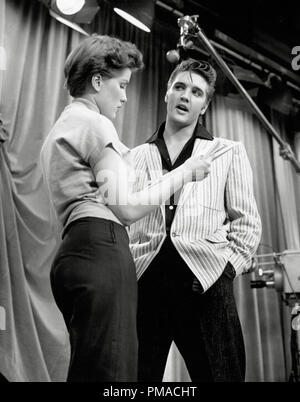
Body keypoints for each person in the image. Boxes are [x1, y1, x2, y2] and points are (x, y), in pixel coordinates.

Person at [40, 37, 211, 382]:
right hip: (101, 251)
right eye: (121, 84)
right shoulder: (94, 124)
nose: (124, 96)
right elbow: (129, 208)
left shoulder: (59, 130)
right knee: (113, 374)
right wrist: (185, 172)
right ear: (97, 81)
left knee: (93, 367)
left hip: (74, 253)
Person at [129, 58, 262, 382]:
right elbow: (126, 220)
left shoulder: (227, 151)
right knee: (136, 381)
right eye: (179, 87)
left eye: (196, 92)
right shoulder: (134, 156)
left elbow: (247, 223)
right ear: (166, 93)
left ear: (205, 105)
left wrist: (225, 270)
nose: (186, 96)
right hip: (147, 285)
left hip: (205, 285)